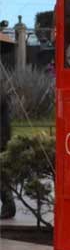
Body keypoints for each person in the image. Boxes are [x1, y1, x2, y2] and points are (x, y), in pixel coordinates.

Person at [1, 91, 15, 219]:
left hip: (1, 139)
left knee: (2, 175)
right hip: (3, 138)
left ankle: (9, 206)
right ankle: (8, 206)